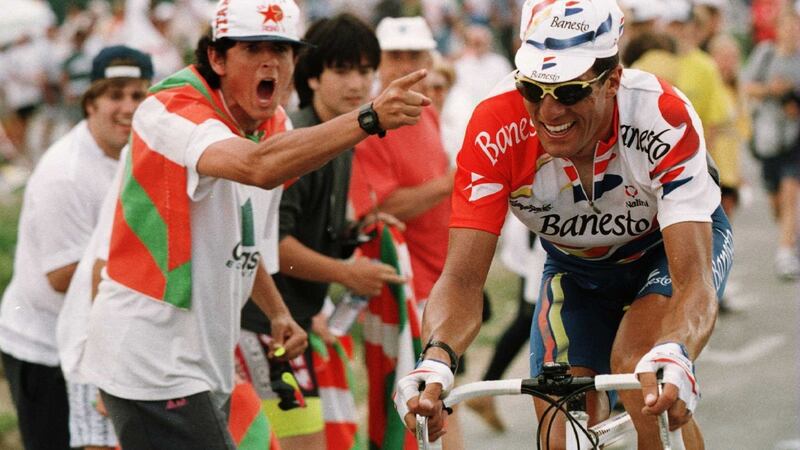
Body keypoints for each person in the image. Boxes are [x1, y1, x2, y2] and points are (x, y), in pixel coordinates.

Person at [76, 0, 431, 448]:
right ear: (217, 58)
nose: (271, 62)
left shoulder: (273, 124)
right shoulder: (170, 107)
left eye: (282, 50)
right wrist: (369, 119)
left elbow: (247, 245)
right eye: (254, 48)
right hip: (149, 359)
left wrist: (278, 311)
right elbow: (256, 167)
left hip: (205, 358)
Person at [394, 1, 733, 449]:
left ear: (612, 80)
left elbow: (692, 280)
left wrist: (677, 351)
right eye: (533, 90)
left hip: (664, 253)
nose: (549, 112)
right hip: (576, 268)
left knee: (642, 370)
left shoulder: (661, 114)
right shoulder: (496, 124)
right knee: (560, 426)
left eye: (570, 92)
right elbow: (461, 279)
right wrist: (435, 360)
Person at [237, 13, 403, 449]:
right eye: (342, 69)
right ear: (312, 77)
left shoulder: (340, 135)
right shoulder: (302, 137)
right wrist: (347, 273)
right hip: (261, 323)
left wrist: (352, 232)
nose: (356, 82)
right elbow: (276, 245)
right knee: (304, 444)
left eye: (366, 70)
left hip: (289, 323)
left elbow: (305, 226)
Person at [0, 45, 153, 450]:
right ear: (90, 103)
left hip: (98, 343)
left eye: (138, 95)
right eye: (115, 95)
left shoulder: (136, 157)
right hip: (46, 348)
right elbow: (61, 276)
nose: (128, 107)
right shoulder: (65, 173)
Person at [348, 15, 464, 449]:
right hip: (405, 285)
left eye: (414, 54)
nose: (405, 65)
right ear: (379, 63)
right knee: (419, 405)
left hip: (441, 277)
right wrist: (450, 182)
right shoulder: (373, 123)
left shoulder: (425, 111)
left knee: (446, 398)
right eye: (395, 56)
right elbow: (382, 207)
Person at [741, 12, 800, 281]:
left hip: (795, 137)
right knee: (776, 201)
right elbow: (747, 87)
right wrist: (772, 91)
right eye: (789, 25)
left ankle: (785, 253)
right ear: (778, 28)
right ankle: (790, 237)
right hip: (768, 137)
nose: (793, 31)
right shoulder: (765, 54)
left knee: (791, 195)